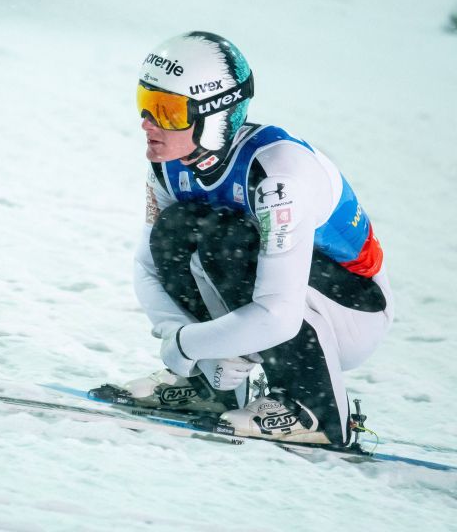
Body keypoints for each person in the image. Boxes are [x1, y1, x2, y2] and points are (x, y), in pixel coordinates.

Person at [105, 31, 394, 446]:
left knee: (227, 238)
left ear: (214, 116)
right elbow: (147, 265)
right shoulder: (168, 165)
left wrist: (187, 344)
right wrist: (187, 344)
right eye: (145, 103)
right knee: (177, 229)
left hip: (352, 312)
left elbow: (279, 315)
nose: (148, 124)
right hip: (283, 299)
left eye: (167, 111)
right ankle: (213, 388)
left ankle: (318, 410)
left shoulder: (278, 175)